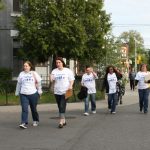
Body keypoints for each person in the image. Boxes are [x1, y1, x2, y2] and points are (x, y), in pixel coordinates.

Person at [15, 61, 42, 129]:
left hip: (33, 94)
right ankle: (23, 122)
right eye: (24, 66)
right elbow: (19, 84)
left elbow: (39, 82)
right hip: (23, 94)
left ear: (30, 66)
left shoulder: (34, 73)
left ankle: (35, 120)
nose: (25, 67)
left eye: (26, 66)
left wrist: (39, 91)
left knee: (33, 109)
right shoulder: (21, 74)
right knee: (24, 109)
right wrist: (17, 92)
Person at [50, 57, 75, 128]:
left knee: (62, 105)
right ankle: (64, 120)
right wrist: (51, 77)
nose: (58, 64)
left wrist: (70, 86)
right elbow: (52, 81)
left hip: (66, 91)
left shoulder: (68, 71)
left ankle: (61, 121)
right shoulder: (54, 71)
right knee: (60, 106)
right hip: (57, 91)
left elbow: (72, 80)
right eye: (57, 63)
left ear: (62, 63)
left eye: (59, 62)